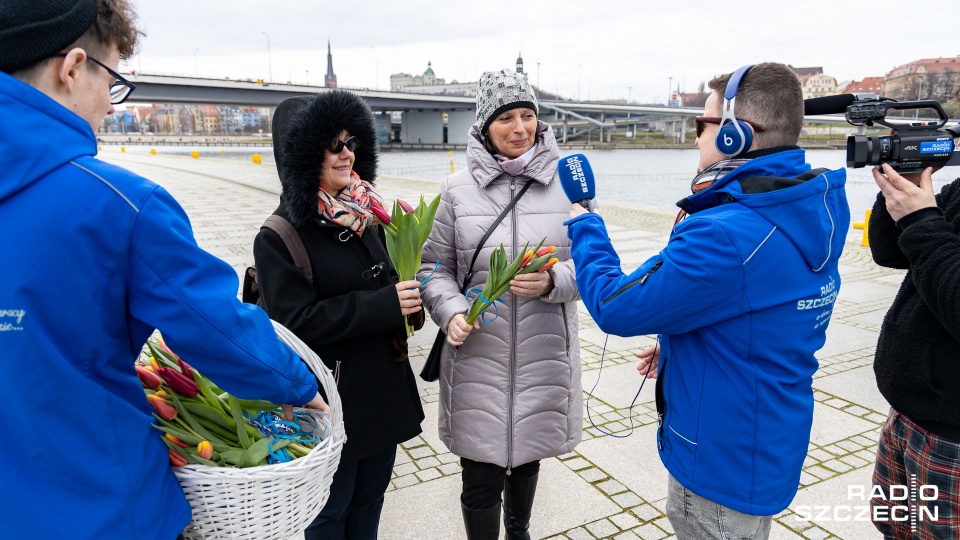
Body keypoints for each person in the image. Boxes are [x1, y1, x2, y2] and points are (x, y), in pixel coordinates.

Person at [0, 1, 328, 539]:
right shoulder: (118, 205)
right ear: (73, 68)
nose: (109, 103)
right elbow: (214, 325)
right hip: (99, 506)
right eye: (112, 80)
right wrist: (295, 384)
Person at [565, 63, 850, 539]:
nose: (696, 137)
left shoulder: (726, 234)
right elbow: (760, 315)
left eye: (704, 124)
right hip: (765, 439)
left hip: (720, 461)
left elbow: (616, 305)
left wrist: (585, 224)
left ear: (737, 136)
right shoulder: (807, 204)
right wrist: (684, 346)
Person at [253, 90, 425, 540]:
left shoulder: (368, 212)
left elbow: (389, 285)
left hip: (382, 390)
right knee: (330, 513)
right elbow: (295, 323)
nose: (347, 153)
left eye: (351, 141)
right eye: (333, 144)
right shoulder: (279, 235)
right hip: (333, 397)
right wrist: (383, 305)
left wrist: (411, 297)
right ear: (303, 154)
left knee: (371, 500)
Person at [418, 68, 582, 540]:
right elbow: (433, 267)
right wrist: (450, 312)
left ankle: (520, 532)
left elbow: (595, 268)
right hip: (477, 357)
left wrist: (554, 280)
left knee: (528, 460)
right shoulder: (456, 190)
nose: (519, 128)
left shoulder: (568, 186)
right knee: (480, 475)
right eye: (506, 117)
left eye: (527, 115)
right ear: (484, 127)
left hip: (543, 354)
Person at [868, 158, 960, 538]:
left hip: (951, 433)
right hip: (910, 410)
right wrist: (899, 189)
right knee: (895, 528)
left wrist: (922, 221)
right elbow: (892, 252)